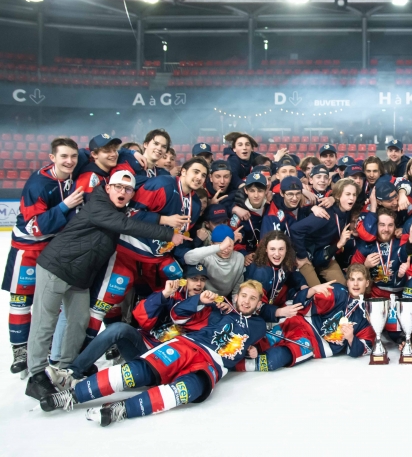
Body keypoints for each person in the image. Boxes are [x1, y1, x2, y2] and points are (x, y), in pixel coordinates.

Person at [24, 171, 184, 399]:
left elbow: (137, 219)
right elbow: (126, 225)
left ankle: (68, 369)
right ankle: (36, 375)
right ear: (108, 187)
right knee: (44, 321)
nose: (122, 192)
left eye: (128, 189)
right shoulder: (98, 204)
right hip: (56, 267)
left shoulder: (118, 208)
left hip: (80, 276)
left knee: (78, 322)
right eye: (118, 187)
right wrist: (168, 234)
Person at [40, 281, 268, 426]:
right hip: (184, 346)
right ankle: (71, 394)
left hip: (210, 365)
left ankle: (121, 410)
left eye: (253, 298)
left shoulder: (257, 325)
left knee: (186, 391)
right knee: (135, 372)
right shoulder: (214, 306)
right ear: (236, 297)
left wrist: (257, 349)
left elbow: (266, 333)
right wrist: (197, 299)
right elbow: (177, 314)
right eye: (244, 296)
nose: (247, 301)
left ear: (258, 304)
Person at [86, 158, 207, 344]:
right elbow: (130, 214)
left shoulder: (196, 204)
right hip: (128, 252)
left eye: (203, 175)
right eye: (195, 172)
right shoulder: (162, 184)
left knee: (173, 289)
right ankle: (88, 345)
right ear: (183, 172)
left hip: (156, 259)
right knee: (108, 298)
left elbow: (179, 236)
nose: (199, 177)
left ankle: (145, 338)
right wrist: (163, 220)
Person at [46, 265, 209, 391]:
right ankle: (72, 373)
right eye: (194, 279)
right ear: (185, 280)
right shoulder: (171, 293)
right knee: (119, 328)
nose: (199, 284)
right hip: (145, 347)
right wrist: (163, 295)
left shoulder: (207, 303)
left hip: (167, 359)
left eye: (202, 279)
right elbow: (142, 317)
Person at [3, 137, 84, 375]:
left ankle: (44, 347)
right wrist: (65, 206)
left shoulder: (74, 172)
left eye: (74, 156)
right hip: (28, 248)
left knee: (50, 302)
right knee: (21, 301)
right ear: (52, 158)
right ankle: (20, 350)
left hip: (53, 250)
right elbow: (34, 226)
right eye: (63, 156)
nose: (69, 161)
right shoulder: (38, 184)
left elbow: (97, 152)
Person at [240, 266, 375, 373]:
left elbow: (364, 346)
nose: (355, 284)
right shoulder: (339, 292)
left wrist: (351, 338)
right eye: (352, 279)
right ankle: (239, 355)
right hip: (302, 324)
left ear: (367, 282)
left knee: (276, 359)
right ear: (347, 281)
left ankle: (241, 365)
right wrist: (313, 291)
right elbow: (305, 303)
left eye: (360, 279)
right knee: (265, 339)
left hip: (314, 345)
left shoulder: (368, 314)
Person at [291, 178, 359, 286]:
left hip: (324, 255)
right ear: (338, 196)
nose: (352, 198)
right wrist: (302, 256)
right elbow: (295, 229)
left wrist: (332, 197)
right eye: (347, 194)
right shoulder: (324, 215)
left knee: (345, 288)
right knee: (319, 294)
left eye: (354, 195)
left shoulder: (346, 210)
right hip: (306, 256)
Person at [244, 230, 307, 322]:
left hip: (280, 297)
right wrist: (280, 312)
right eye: (272, 249)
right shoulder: (260, 273)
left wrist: (303, 285)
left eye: (281, 249)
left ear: (286, 249)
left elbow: (293, 272)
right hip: (267, 310)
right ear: (266, 249)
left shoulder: (287, 258)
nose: (277, 254)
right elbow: (256, 307)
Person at [184, 225, 245, 299]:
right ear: (212, 244)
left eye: (229, 246)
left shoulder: (239, 258)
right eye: (221, 245)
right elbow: (187, 258)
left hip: (225, 299)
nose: (225, 250)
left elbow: (237, 288)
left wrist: (235, 307)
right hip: (205, 297)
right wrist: (219, 247)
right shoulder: (206, 256)